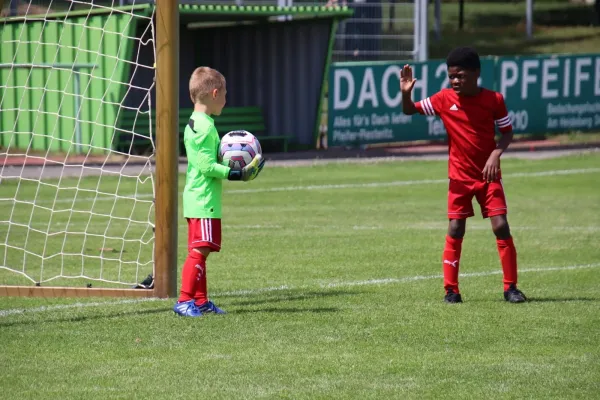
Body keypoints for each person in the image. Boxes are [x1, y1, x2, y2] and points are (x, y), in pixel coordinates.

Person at [399, 47, 527, 304]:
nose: (455, 80)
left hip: (488, 176)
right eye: (451, 76)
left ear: (476, 73)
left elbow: (508, 133)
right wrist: (406, 95)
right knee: (456, 228)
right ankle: (451, 290)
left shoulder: (494, 100)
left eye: (460, 75)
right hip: (459, 177)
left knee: (501, 225)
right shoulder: (443, 99)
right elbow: (409, 110)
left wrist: (494, 155)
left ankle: (511, 287)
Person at [173, 66, 265, 317]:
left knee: (201, 251)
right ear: (215, 93)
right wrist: (236, 173)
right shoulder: (204, 127)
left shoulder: (199, 122)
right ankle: (184, 300)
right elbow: (205, 166)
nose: (226, 100)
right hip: (203, 200)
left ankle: (201, 302)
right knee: (198, 252)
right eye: (225, 95)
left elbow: (206, 160)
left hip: (200, 198)